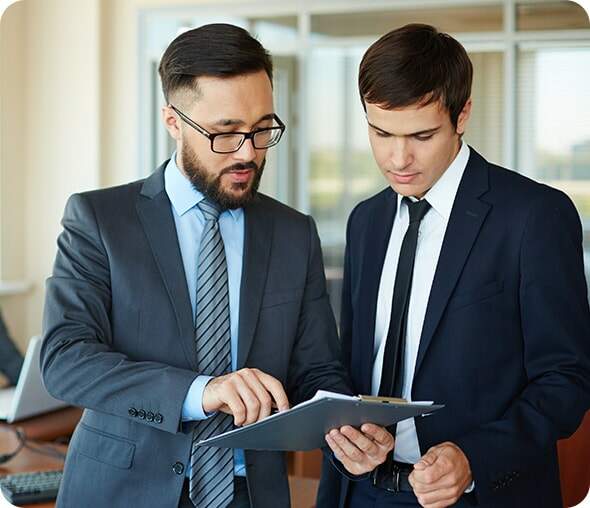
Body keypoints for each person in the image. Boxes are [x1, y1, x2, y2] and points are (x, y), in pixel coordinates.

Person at [40, 23, 393, 508]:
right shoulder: (100, 219)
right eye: (226, 132)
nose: (249, 152)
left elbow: (317, 370)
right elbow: (66, 359)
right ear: (172, 121)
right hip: (122, 492)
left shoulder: (294, 233)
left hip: (253, 494)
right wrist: (200, 392)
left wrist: (345, 426)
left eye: (263, 128)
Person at [317, 23, 590, 508]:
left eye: (422, 135)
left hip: (476, 496)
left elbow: (567, 379)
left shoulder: (535, 217)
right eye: (380, 132)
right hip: (359, 494)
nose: (398, 157)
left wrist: (473, 458)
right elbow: (352, 363)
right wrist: (347, 435)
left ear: (462, 115)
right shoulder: (366, 221)